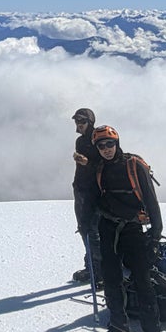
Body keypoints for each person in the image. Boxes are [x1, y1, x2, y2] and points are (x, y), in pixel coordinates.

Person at [89, 125, 166, 332]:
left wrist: (155, 235)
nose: (107, 150)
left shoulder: (134, 165)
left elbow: (151, 201)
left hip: (133, 230)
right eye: (101, 146)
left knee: (144, 286)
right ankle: (119, 328)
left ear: (117, 142)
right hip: (108, 228)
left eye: (110, 144)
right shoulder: (99, 168)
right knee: (111, 280)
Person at [70, 106, 102, 291]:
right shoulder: (81, 142)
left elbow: (107, 164)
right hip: (81, 189)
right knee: (85, 229)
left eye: (82, 121)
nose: (78, 124)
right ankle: (93, 267)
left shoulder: (100, 139)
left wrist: (87, 163)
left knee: (92, 231)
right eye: (77, 121)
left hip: (94, 191)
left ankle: (98, 271)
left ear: (90, 122)